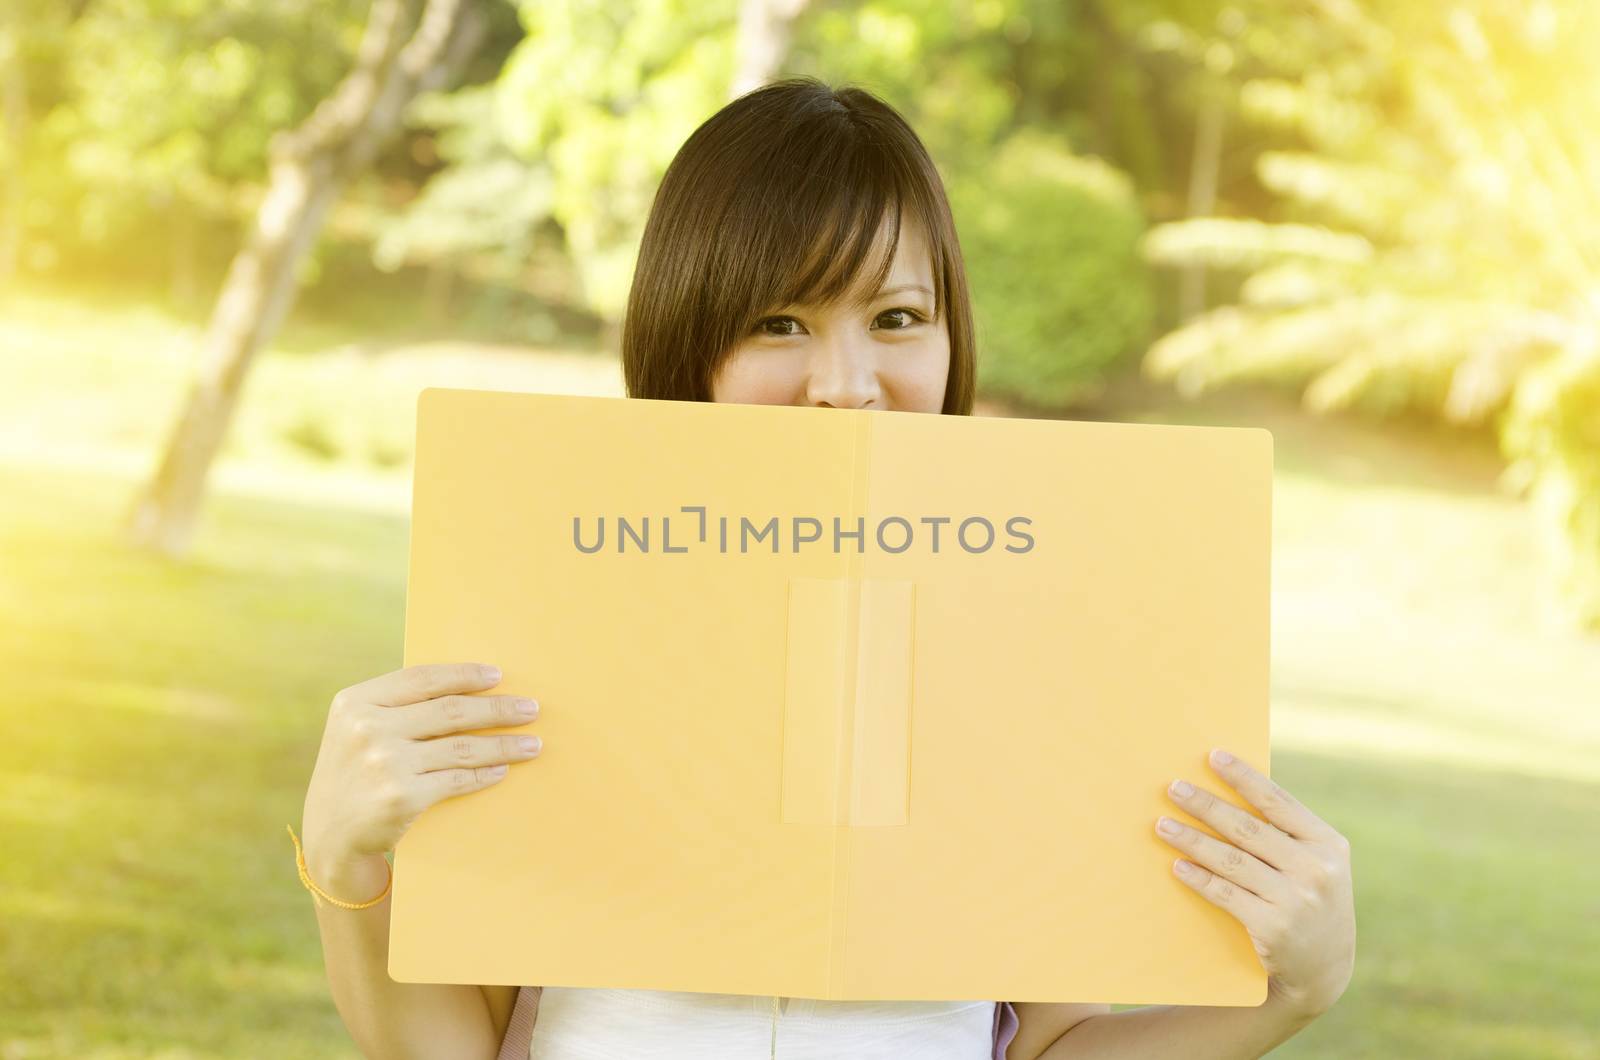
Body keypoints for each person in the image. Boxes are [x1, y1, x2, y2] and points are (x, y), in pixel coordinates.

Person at [293, 77, 1356, 1059]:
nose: (845, 385)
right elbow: (455, 1047)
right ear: (686, 341)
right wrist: (348, 870)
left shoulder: (1034, 635)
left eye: (896, 319)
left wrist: (1284, 994)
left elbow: (1046, 1041)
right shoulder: (553, 599)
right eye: (778, 322)